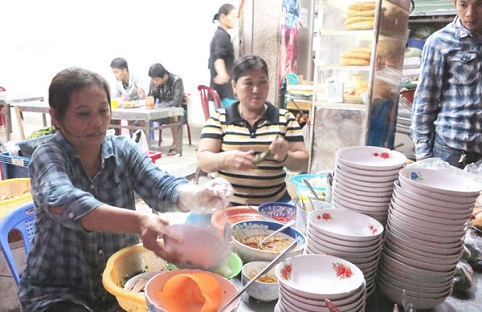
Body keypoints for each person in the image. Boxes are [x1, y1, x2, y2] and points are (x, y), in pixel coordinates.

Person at [17, 67, 233, 312]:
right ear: (56, 117)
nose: (97, 122)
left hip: (121, 287)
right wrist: (142, 222)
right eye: (84, 114)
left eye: (103, 110)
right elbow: (65, 202)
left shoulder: (123, 150)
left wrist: (199, 195)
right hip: (57, 291)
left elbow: (161, 186)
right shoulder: (47, 155)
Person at [197, 55, 309, 206]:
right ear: (235, 87)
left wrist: (285, 156)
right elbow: (203, 161)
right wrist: (226, 159)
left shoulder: (285, 118)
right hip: (226, 205)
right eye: (248, 83)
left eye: (262, 82)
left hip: (273, 205)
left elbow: (302, 163)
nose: (256, 90)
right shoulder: (219, 118)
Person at [410, 0, 482, 169]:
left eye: (479, 4)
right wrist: (423, 156)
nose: (470, 13)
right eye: (463, 4)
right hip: (452, 150)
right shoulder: (439, 42)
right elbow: (425, 102)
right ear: (455, 3)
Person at [147, 63, 186, 156]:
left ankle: (176, 145)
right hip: (161, 111)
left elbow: (176, 102)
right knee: (144, 118)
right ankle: (144, 145)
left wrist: (162, 105)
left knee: (173, 114)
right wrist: (146, 97)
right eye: (153, 79)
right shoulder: (154, 82)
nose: (154, 82)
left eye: (156, 80)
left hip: (180, 111)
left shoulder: (176, 80)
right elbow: (151, 97)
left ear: (165, 76)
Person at [209, 3, 238, 108]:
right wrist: (222, 73)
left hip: (222, 92)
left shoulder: (221, 35)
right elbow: (218, 57)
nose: (235, 20)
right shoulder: (221, 36)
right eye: (233, 17)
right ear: (222, 17)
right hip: (224, 93)